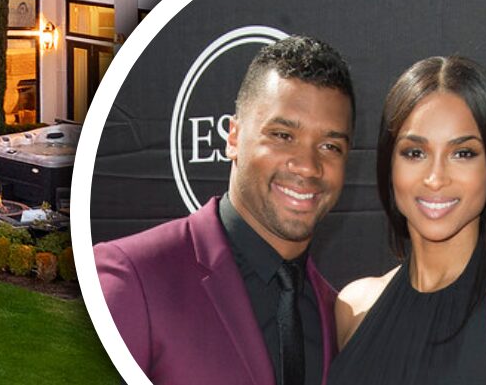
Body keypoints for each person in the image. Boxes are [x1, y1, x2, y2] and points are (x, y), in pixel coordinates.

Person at [96, 35, 355, 385]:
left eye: (329, 146)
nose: (308, 166)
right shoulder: (132, 279)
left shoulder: (336, 314)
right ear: (233, 138)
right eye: (282, 135)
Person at [329, 57, 486, 385]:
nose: (435, 178)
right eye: (414, 153)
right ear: (389, 165)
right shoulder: (353, 305)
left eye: (463, 153)